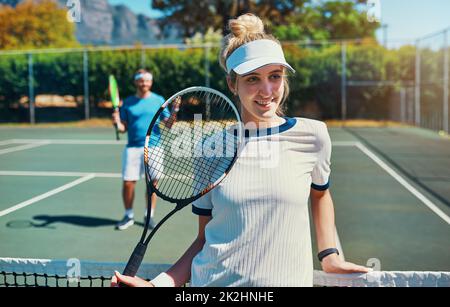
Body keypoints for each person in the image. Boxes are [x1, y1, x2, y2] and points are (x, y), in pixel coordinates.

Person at [112, 14, 370, 287]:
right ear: (232, 84)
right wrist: (156, 286)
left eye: (275, 76)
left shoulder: (313, 136)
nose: (267, 90)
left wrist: (329, 255)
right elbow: (204, 239)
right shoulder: (208, 149)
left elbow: (320, 195)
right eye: (252, 79)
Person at [112, 69, 169, 231]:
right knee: (128, 183)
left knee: (153, 184)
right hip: (133, 148)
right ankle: (128, 215)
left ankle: (149, 216)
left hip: (154, 147)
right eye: (141, 80)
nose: (144, 83)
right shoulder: (128, 102)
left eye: (147, 80)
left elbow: (169, 124)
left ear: (151, 82)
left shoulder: (159, 100)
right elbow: (123, 128)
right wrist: (117, 122)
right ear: (136, 82)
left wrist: (176, 111)